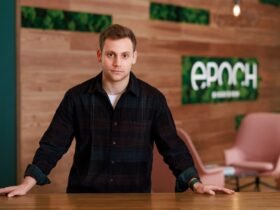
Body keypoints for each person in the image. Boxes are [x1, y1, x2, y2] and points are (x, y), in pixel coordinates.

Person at [0, 24, 234, 197]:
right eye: (111, 54)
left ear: (134, 57)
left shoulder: (153, 100)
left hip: (136, 199)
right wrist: (27, 183)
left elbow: (173, 148)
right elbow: (52, 145)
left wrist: (195, 182)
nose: (117, 62)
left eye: (124, 55)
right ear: (100, 55)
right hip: (84, 199)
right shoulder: (76, 98)